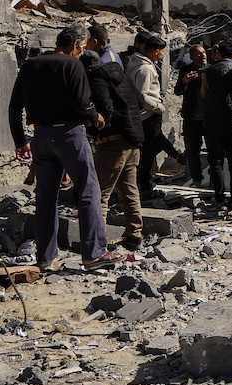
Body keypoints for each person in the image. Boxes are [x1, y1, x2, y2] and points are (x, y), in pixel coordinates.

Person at [8, 26, 124, 271]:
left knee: (46, 197)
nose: (82, 52)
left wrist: (20, 140)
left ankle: (45, 258)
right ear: (74, 45)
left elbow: (14, 106)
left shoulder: (30, 65)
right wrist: (96, 118)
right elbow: (83, 103)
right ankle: (93, 253)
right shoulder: (73, 66)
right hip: (70, 135)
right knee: (88, 191)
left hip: (41, 136)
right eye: (81, 47)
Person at [83, 49, 144, 251]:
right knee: (129, 189)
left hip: (113, 142)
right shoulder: (119, 74)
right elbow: (139, 101)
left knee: (101, 192)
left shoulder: (96, 79)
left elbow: (105, 108)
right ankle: (134, 234)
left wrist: (96, 126)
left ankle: (98, 243)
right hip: (132, 140)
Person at [201, 39, 232, 212]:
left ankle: (219, 197)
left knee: (216, 161)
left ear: (218, 53)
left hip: (213, 121)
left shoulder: (209, 72)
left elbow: (204, 94)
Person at [126, 32, 168, 201]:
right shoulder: (145, 69)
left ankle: (144, 185)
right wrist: (159, 106)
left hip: (142, 116)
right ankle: (144, 188)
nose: (162, 55)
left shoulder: (137, 64)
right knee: (147, 156)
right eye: (161, 51)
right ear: (155, 50)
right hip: (148, 115)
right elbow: (142, 96)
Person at [173, 44, 208, 188]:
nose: (203, 56)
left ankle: (214, 179)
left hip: (208, 117)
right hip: (192, 117)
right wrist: (184, 82)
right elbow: (177, 91)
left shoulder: (211, 70)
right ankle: (196, 179)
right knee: (193, 151)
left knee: (214, 149)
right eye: (199, 54)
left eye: (204, 53)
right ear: (192, 57)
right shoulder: (186, 70)